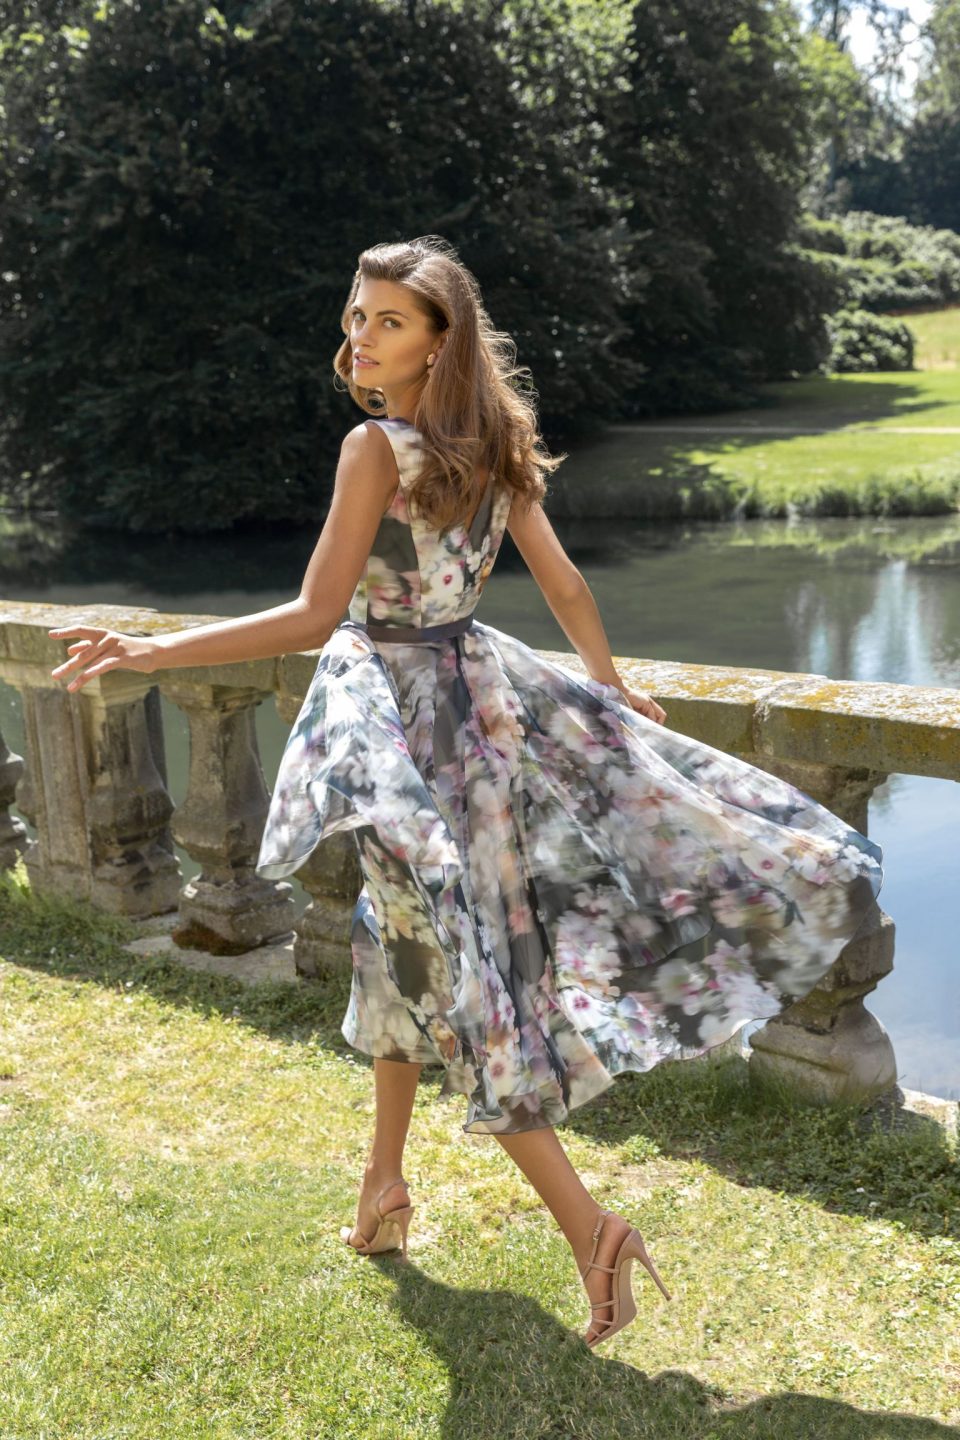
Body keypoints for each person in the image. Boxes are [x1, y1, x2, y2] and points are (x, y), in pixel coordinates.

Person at [48, 234, 883, 1349]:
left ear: (440, 345)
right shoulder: (492, 449)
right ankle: (383, 1186)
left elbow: (315, 615)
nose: (361, 337)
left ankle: (592, 1229)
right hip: (478, 713)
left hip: (406, 733)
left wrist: (151, 652)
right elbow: (565, 584)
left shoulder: (374, 450)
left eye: (388, 321)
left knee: (454, 973)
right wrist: (607, 685)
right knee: (396, 940)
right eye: (357, 316)